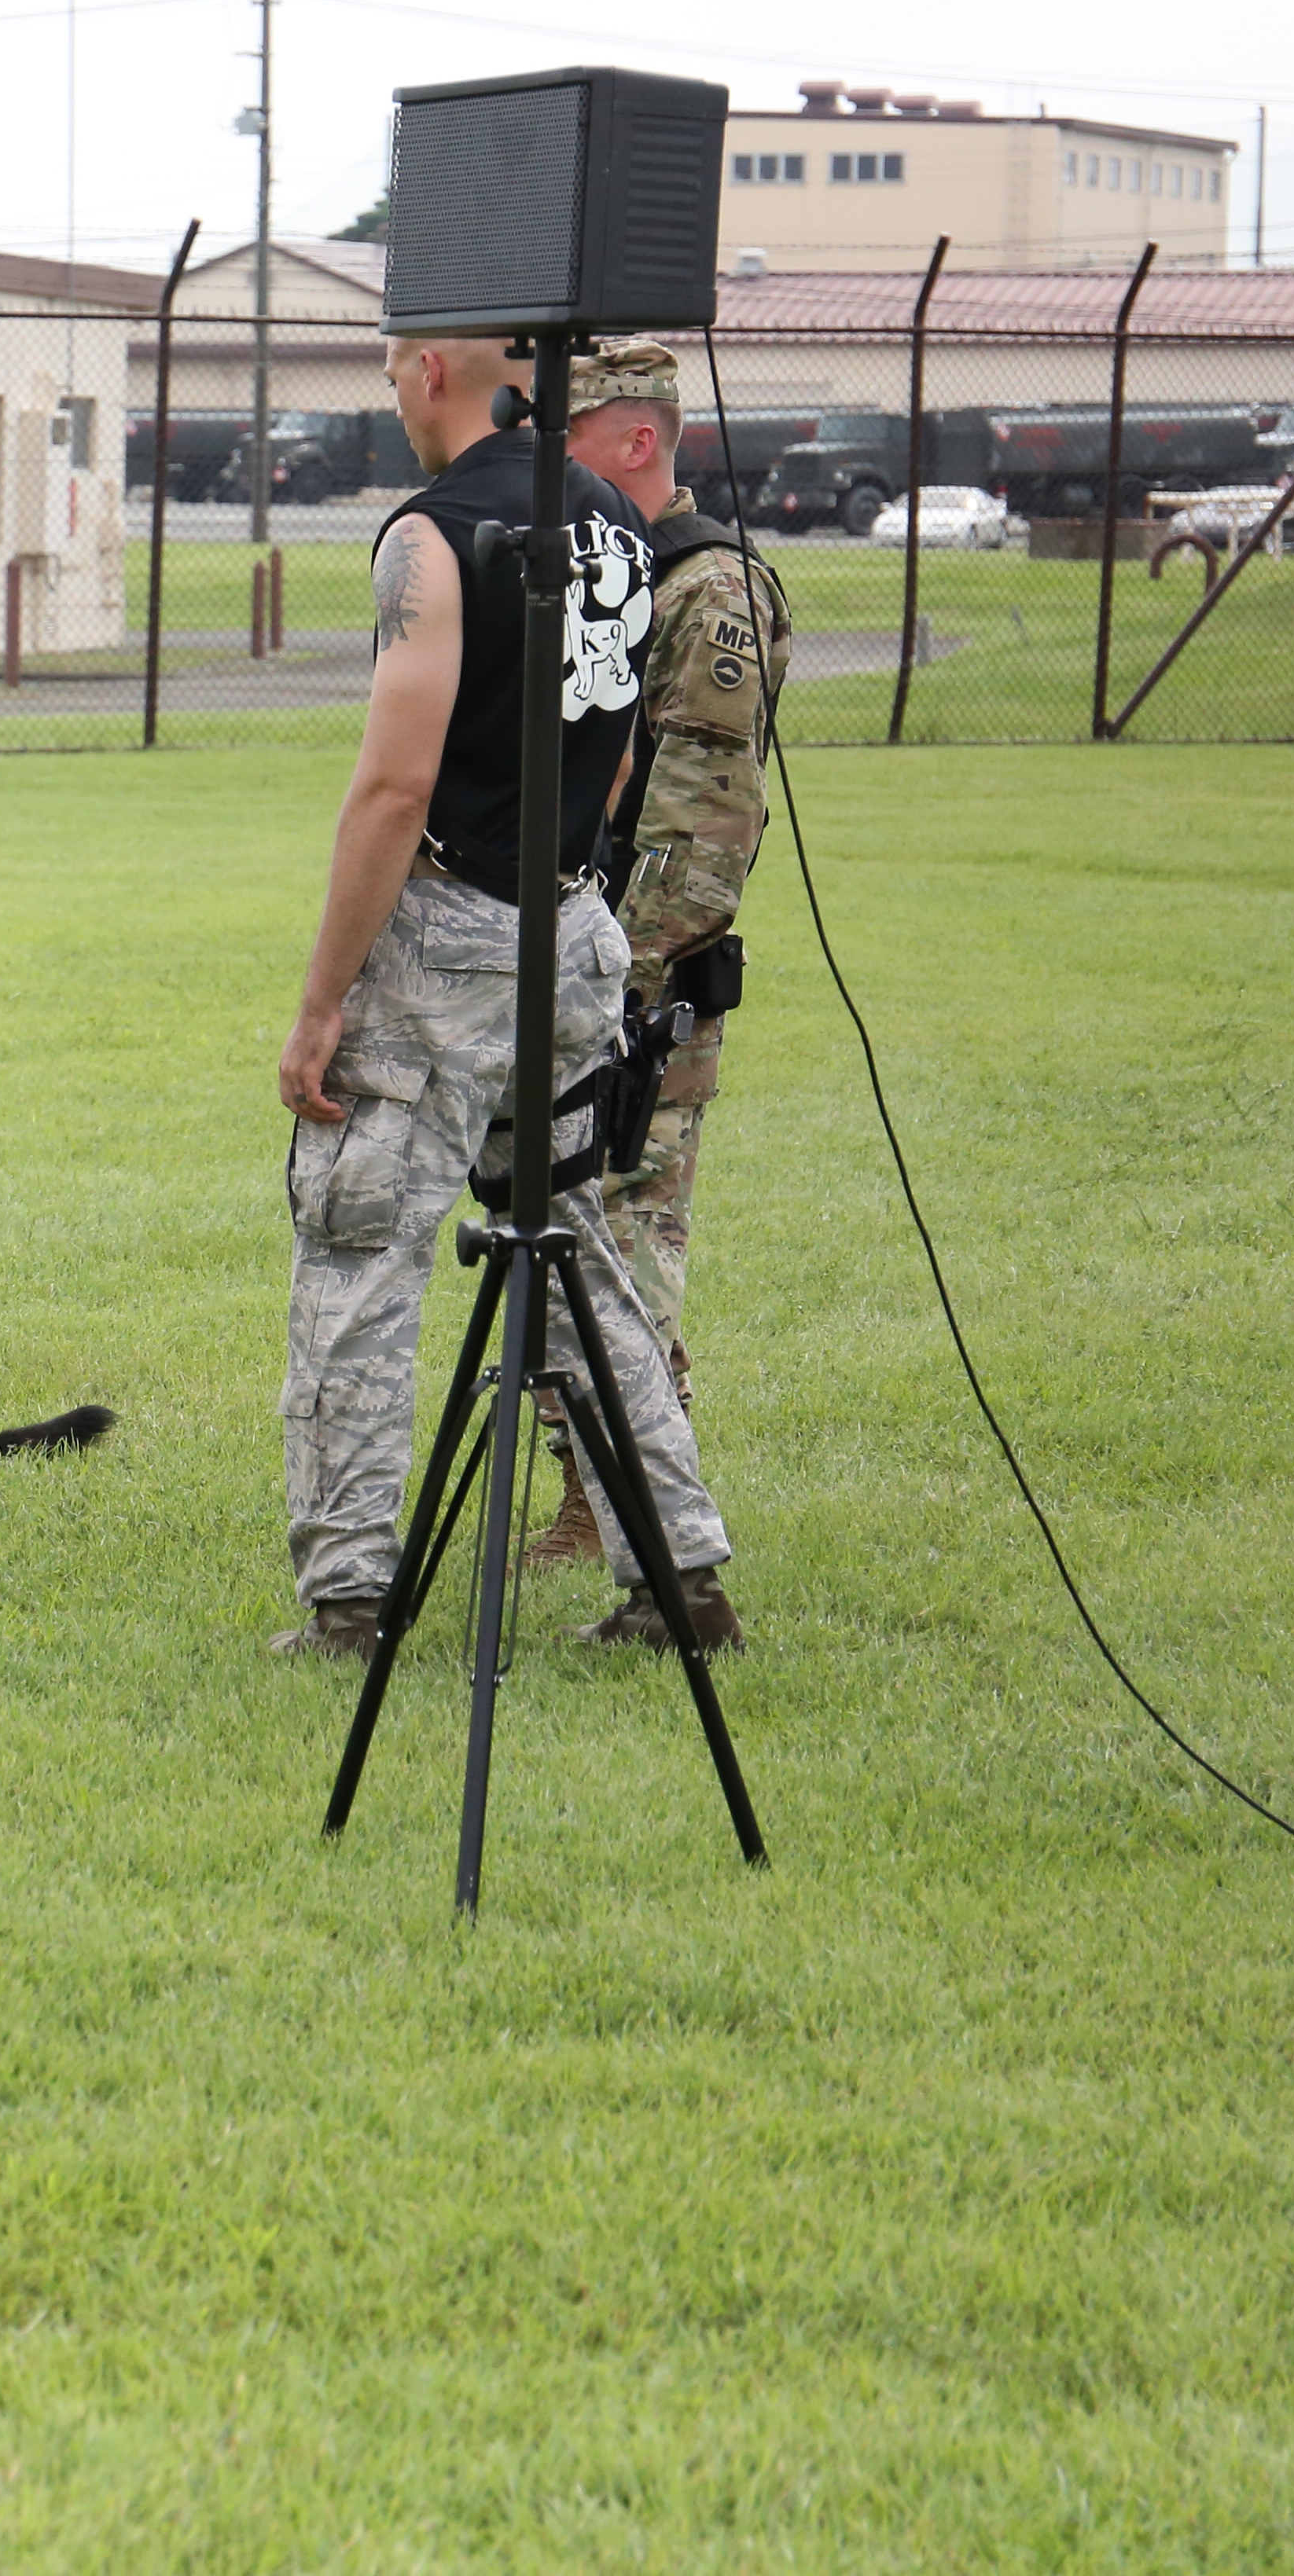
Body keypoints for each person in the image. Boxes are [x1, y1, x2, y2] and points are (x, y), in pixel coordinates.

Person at [268, 330, 737, 1657]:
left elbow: (394, 787)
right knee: (578, 1259)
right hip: (574, 931)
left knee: (359, 1257)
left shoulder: (429, 537)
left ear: (428, 369)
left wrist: (322, 1006)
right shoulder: (611, 522)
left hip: (447, 942)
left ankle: (351, 1606)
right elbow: (625, 736)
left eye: (388, 378)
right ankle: (682, 1580)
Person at [521, 340, 795, 1626]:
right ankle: (592, 1506)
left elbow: (702, 830)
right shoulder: (605, 576)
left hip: (642, 993)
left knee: (621, 1251)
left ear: (636, 442)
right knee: (564, 1234)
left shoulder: (707, 592)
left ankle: (636, 1533)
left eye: (564, 446)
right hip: (577, 967)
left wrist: (606, 983)